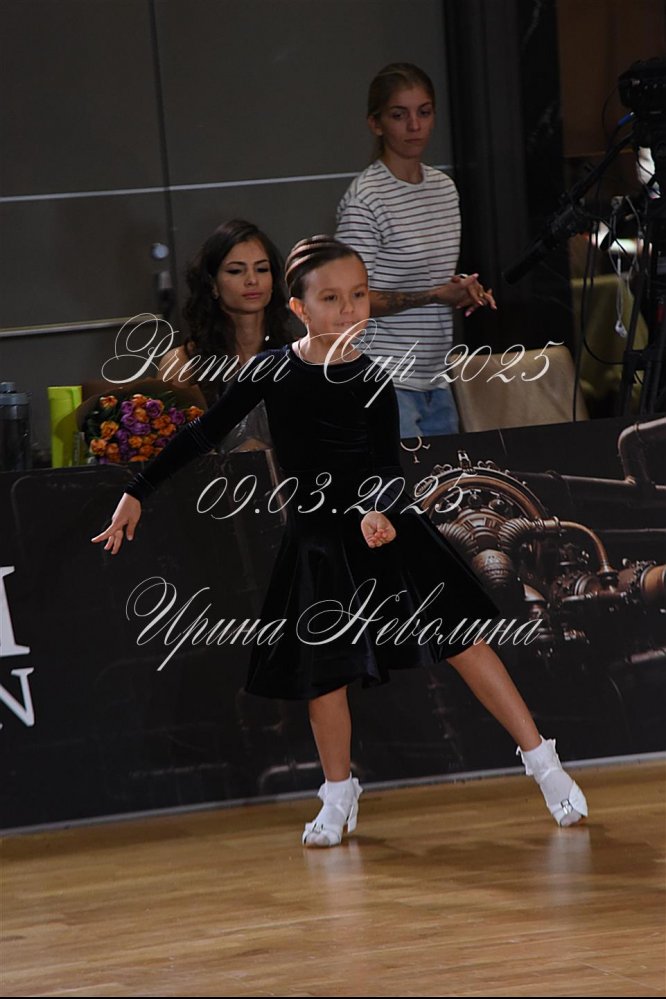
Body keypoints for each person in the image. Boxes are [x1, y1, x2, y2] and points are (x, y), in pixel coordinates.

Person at [91, 235, 587, 847]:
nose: (349, 309)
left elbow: (385, 465)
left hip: (386, 531)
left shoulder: (373, 377)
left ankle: (543, 762)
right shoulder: (271, 371)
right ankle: (337, 791)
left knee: (463, 640)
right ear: (299, 308)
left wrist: (379, 509)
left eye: (358, 295)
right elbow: (202, 435)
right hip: (319, 541)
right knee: (324, 672)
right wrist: (138, 490)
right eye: (331, 298)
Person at [336, 62, 497, 439]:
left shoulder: (444, 188)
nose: (414, 126)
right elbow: (349, 301)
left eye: (424, 112)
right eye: (399, 115)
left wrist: (462, 288)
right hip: (381, 376)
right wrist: (435, 295)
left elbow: (431, 275)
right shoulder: (365, 200)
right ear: (376, 123)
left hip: (435, 374)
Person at [160, 218, 293, 453]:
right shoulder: (182, 363)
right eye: (236, 271)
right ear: (212, 284)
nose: (252, 280)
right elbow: (167, 453)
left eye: (262, 269)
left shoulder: (300, 355)